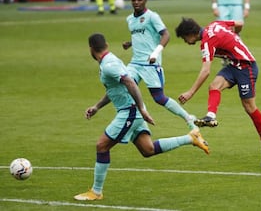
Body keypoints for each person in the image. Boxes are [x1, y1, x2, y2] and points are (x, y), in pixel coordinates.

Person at [74, 33, 209, 201]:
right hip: (132, 112)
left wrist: (142, 108)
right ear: (106, 45)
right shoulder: (110, 61)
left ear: (91, 49)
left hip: (129, 112)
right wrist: (97, 107)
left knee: (102, 146)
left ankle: (96, 191)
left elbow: (130, 83)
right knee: (148, 150)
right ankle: (191, 138)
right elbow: (115, 89)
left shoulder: (109, 65)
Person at [175, 18, 261, 167]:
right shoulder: (216, 24)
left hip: (246, 67)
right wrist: (235, 38)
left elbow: (206, 70)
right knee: (214, 86)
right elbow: (239, 24)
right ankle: (210, 116)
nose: (185, 41)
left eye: (184, 38)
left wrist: (191, 92)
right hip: (233, 64)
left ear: (191, 34)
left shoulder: (207, 42)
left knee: (249, 107)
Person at [122, 0, 199, 130]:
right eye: (133, 0)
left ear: (145, 0)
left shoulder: (152, 17)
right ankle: (140, 119)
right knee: (124, 86)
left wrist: (155, 53)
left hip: (150, 64)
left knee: (159, 98)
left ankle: (188, 118)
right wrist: (130, 43)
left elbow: (165, 35)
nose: (136, 2)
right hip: (135, 63)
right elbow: (143, 36)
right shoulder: (130, 19)